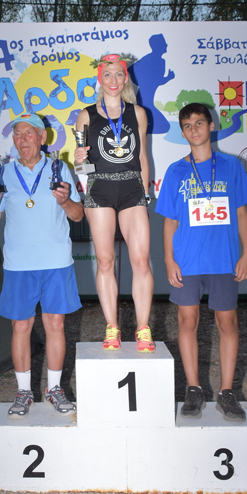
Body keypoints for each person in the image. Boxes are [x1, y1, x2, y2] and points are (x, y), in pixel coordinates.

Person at [156, 103, 247, 422]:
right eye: (187, 125)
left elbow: (241, 212)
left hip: (224, 259)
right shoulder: (175, 171)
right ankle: (194, 389)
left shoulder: (231, 166)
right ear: (182, 132)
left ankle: (227, 392)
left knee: (228, 323)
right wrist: (169, 259)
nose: (193, 129)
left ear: (211, 126)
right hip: (187, 260)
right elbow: (169, 221)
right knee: (187, 321)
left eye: (199, 123)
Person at [0, 112, 83, 418]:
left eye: (28, 133)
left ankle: (54, 389)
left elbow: (78, 215)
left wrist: (65, 201)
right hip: (19, 264)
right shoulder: (3, 173)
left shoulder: (59, 169)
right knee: (20, 326)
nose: (22, 139)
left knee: (55, 324)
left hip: (56, 261)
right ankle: (24, 391)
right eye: (17, 134)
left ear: (42, 137)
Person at [74, 53, 155, 352]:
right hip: (100, 190)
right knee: (105, 260)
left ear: (125, 78)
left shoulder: (139, 113)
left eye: (118, 74)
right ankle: (112, 327)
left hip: (132, 189)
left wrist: (144, 195)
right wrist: (78, 160)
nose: (113, 80)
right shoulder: (86, 115)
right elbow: (81, 165)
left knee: (140, 260)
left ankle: (143, 328)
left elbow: (142, 157)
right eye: (107, 75)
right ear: (100, 79)